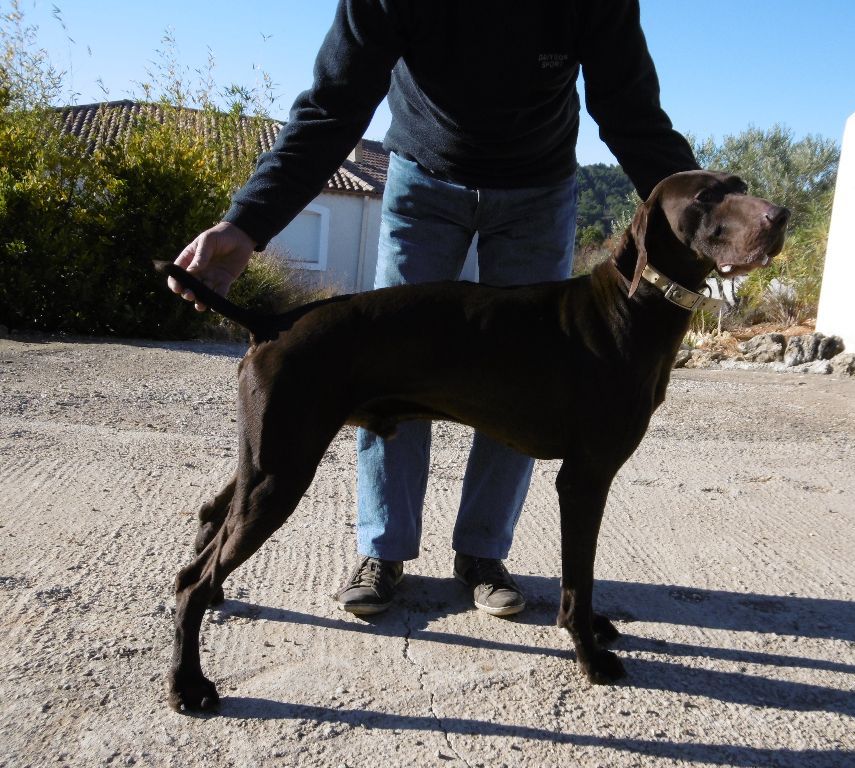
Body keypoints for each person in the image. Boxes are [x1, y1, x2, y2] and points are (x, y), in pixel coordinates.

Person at [169, 0, 699, 619]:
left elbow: (631, 111)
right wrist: (247, 222)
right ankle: (383, 550)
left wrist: (713, 217)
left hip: (538, 186)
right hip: (424, 177)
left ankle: (482, 554)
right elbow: (334, 104)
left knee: (535, 378)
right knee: (381, 361)